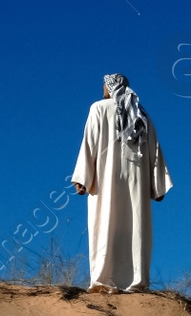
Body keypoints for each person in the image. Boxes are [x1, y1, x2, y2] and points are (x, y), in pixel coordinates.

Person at [71, 74, 171, 293]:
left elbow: (90, 139)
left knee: (105, 222)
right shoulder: (141, 115)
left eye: (104, 86)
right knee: (135, 225)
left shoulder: (98, 108)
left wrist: (82, 177)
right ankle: (136, 282)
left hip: (106, 178)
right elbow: (155, 150)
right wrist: (157, 183)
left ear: (109, 87)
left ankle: (104, 281)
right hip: (136, 181)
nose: (103, 91)